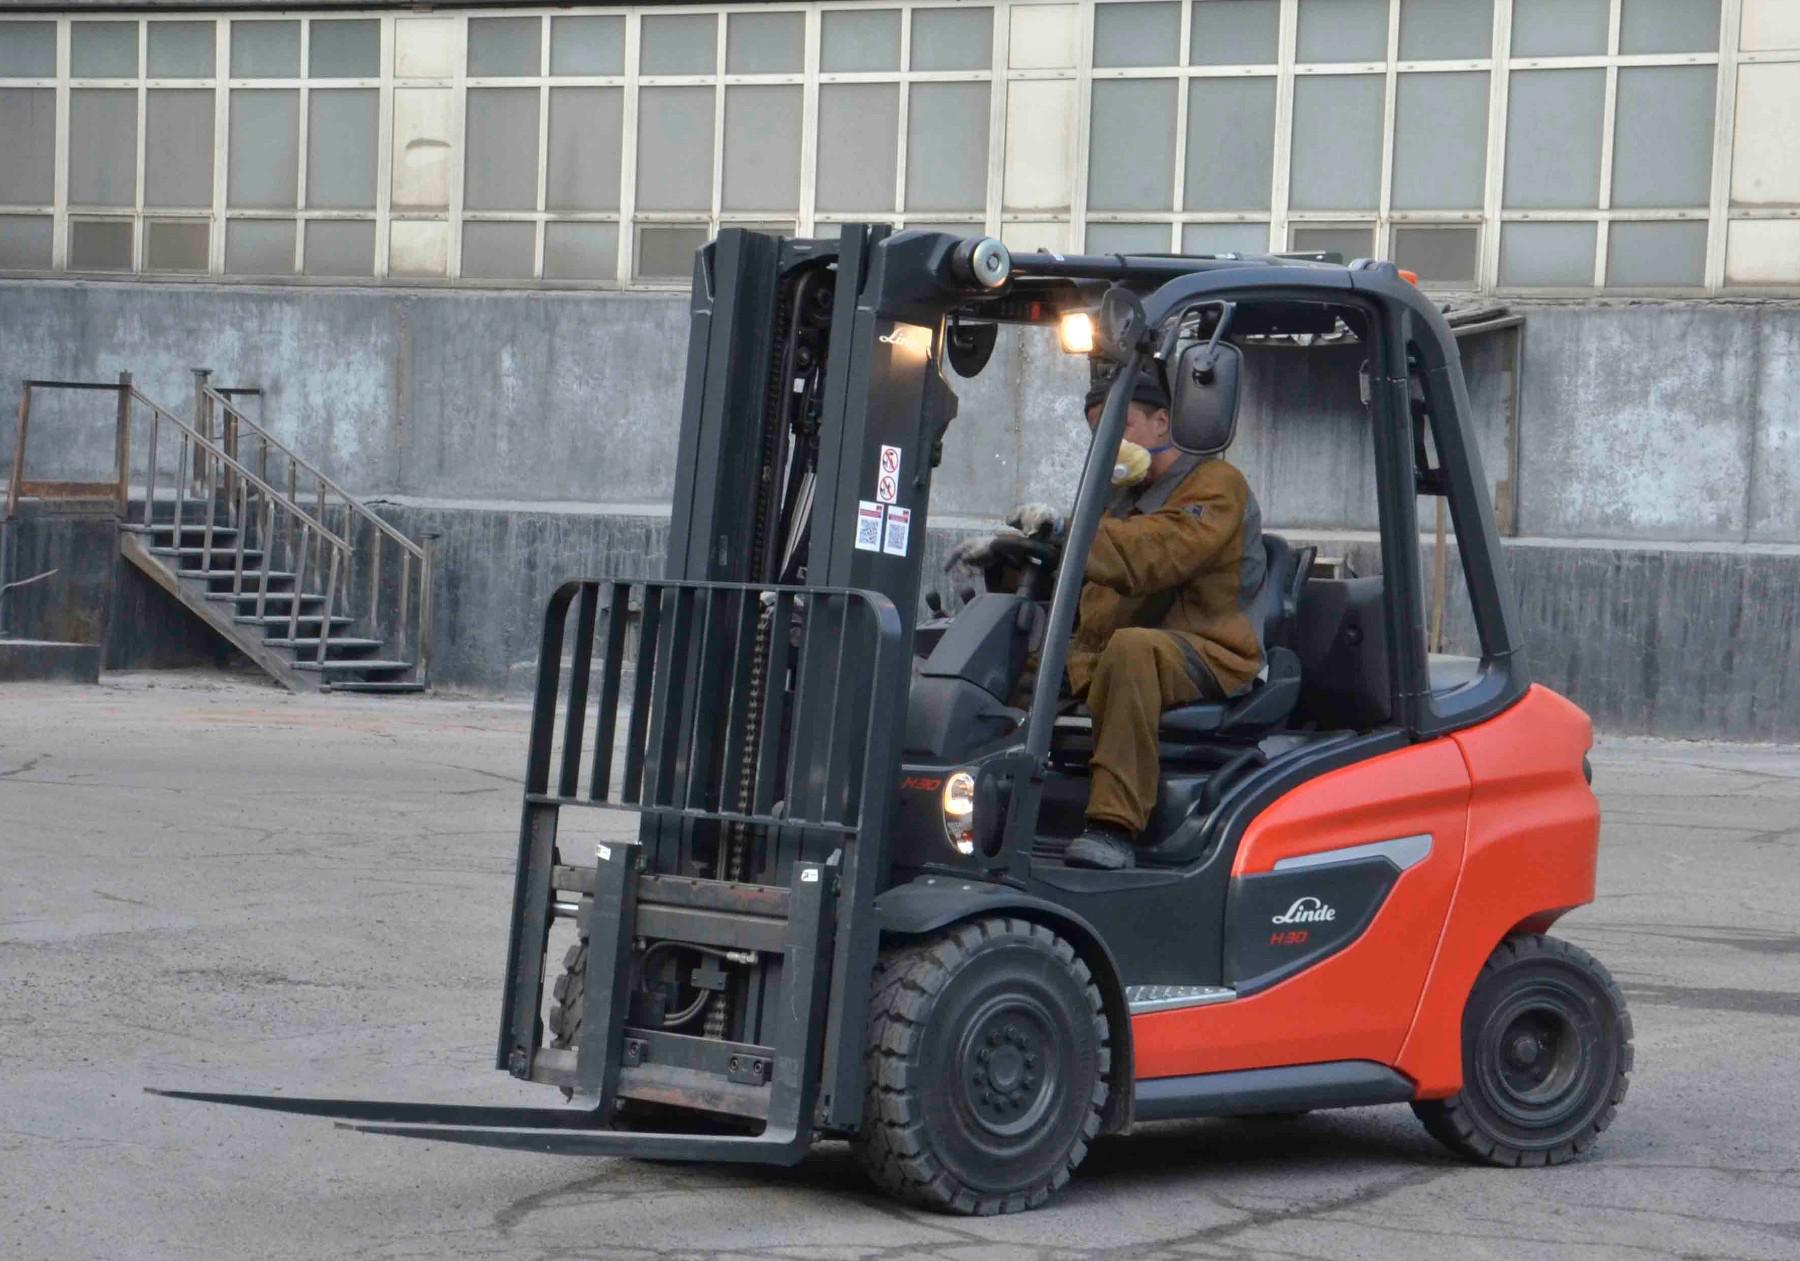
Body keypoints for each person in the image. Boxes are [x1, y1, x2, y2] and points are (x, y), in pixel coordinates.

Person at [1060, 367, 1265, 869]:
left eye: (1121, 427)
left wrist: (1070, 535)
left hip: (1207, 649)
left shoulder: (1217, 485)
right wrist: (1008, 561)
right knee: (1013, 642)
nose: (1109, 444)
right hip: (1110, 651)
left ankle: (1113, 827)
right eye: (1099, 433)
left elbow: (1156, 553)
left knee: (1133, 650)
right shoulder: (1121, 498)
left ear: (1162, 422)